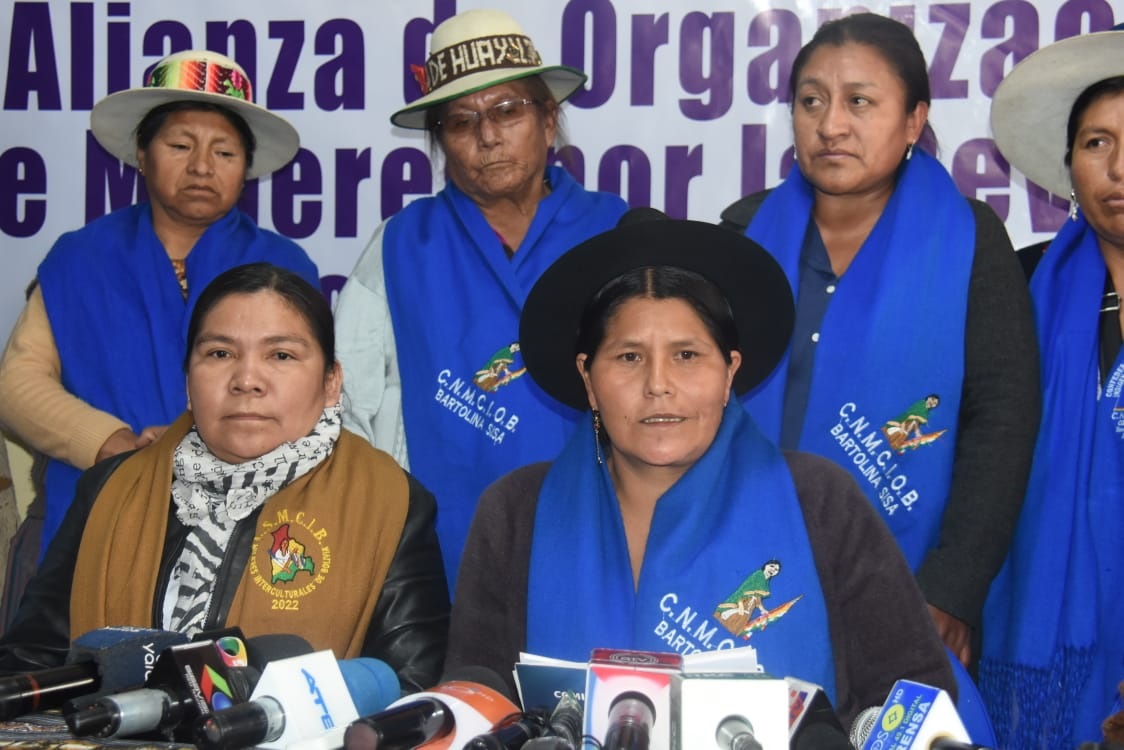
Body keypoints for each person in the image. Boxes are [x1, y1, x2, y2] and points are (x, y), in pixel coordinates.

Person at [445, 211, 955, 729]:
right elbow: (473, 698)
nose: (658, 385)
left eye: (687, 355)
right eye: (628, 357)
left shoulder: (820, 501)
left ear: (729, 370)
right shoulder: (516, 511)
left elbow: (915, 695)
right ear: (588, 377)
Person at [718, 13, 1039, 669]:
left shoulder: (969, 240)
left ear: (914, 120)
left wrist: (953, 590)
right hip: (744, 570)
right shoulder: (743, 234)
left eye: (860, 102)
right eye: (811, 101)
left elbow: (1003, 422)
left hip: (913, 585)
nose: (831, 125)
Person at [0, 263, 448, 693]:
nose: (247, 380)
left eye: (281, 355)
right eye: (220, 353)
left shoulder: (391, 503)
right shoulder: (112, 488)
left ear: (331, 382)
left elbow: (410, 692)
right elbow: (30, 663)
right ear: (187, 381)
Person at [334, 9, 627, 591]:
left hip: (601, 548)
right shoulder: (400, 245)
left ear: (548, 119)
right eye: (462, 121)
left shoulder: (615, 231)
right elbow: (346, 411)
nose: (488, 137)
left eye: (508, 111)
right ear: (441, 140)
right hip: (435, 560)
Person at [0, 49, 320, 562]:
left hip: (249, 515)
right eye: (180, 145)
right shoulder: (82, 258)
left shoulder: (284, 265)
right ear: (142, 154)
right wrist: (113, 444)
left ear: (246, 169)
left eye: (224, 153)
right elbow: (18, 383)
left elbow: (312, 393)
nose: (201, 167)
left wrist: (209, 449)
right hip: (101, 506)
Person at [980, 26, 1124, 749]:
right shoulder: (1020, 287)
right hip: (1044, 634)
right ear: (1069, 167)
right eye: (1098, 143)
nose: (1119, 167)